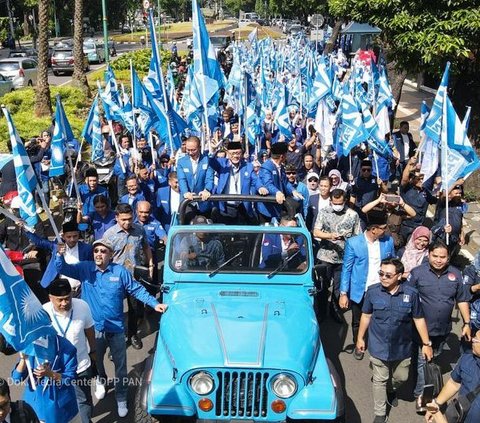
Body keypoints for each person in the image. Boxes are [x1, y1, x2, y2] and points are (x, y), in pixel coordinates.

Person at [55, 238, 167, 419]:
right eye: (96, 251)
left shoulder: (120, 271)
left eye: (103, 251)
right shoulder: (85, 268)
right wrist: (59, 254)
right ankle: (101, 380)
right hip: (93, 329)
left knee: (121, 367)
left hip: (115, 328)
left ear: (111, 255)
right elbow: (62, 268)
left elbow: (136, 290)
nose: (98, 254)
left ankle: (121, 397)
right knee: (96, 362)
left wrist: (154, 303)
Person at [356, 259, 433, 423]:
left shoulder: (411, 294)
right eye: (381, 274)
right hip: (378, 345)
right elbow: (366, 315)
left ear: (399, 276)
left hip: (402, 347)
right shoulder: (372, 292)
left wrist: (427, 344)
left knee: (401, 377)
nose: (383, 277)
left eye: (388, 275)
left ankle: (391, 390)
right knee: (379, 379)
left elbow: (418, 319)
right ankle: (380, 413)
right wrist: (360, 338)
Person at [406, 240, 471, 413]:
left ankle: (423, 379)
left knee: (433, 359)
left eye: (443, 257)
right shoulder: (417, 273)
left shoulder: (456, 275)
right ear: (429, 255)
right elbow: (407, 298)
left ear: (448, 257)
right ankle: (422, 396)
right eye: (435, 256)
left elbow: (462, 299)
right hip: (421, 329)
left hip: (442, 330)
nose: (438, 260)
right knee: (423, 361)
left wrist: (466, 323)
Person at [339, 212, 396, 360]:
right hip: (360, 290)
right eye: (383, 228)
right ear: (373, 229)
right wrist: (344, 293)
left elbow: (393, 262)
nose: (386, 230)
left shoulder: (388, 241)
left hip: (381, 289)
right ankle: (359, 343)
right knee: (358, 320)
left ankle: (377, 344)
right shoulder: (354, 243)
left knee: (379, 319)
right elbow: (347, 268)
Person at [43, 278, 96, 423]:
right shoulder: (43, 312)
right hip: (55, 371)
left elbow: (89, 330)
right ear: (50, 298)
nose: (64, 303)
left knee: (84, 399)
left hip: (81, 365)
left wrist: (94, 353)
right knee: (60, 402)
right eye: (59, 300)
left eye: (67, 299)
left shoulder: (82, 306)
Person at [103, 203, 154, 350]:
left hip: (135, 279)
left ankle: (132, 334)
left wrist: (150, 265)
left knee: (135, 310)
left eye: (130, 219)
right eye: (123, 219)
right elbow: (104, 258)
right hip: (115, 279)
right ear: (116, 218)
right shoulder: (109, 235)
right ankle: (115, 343)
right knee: (115, 312)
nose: (127, 222)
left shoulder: (139, 229)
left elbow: (146, 247)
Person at [313, 189, 361, 322]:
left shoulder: (353, 215)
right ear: (331, 201)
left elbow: (357, 236)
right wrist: (329, 236)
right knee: (322, 286)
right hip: (325, 255)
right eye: (335, 203)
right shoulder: (324, 212)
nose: (337, 205)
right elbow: (316, 232)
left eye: (340, 203)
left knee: (339, 288)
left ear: (345, 201)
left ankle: (335, 311)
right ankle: (321, 313)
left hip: (344, 257)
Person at [11, 335, 79, 423]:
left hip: (62, 410)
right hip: (34, 407)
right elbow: (16, 379)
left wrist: (50, 374)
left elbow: (70, 379)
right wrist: (23, 360)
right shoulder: (29, 345)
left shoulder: (66, 347)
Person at [425, 330, 480, 423]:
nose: (472, 340)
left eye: (476, 340)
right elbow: (454, 383)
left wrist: (438, 417)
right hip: (460, 417)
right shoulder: (468, 358)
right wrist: (436, 403)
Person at [25, 221, 93, 293]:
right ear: (63, 236)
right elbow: (40, 242)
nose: (72, 239)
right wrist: (25, 228)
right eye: (69, 237)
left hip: (80, 290)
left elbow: (90, 268)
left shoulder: (87, 249)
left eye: (75, 236)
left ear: (78, 235)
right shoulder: (56, 247)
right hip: (59, 289)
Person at [209, 141, 257, 224]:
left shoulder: (248, 166)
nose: (235, 156)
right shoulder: (222, 163)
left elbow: (256, 180)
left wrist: (261, 187)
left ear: (241, 153)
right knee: (226, 235)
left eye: (238, 153)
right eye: (232, 153)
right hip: (226, 207)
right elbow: (212, 162)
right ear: (227, 153)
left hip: (242, 207)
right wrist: (213, 150)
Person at [255, 142, 303, 221]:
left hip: (278, 207)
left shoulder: (281, 167)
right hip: (267, 210)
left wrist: (293, 190)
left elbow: (285, 182)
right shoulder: (266, 167)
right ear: (282, 156)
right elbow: (268, 184)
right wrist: (277, 192)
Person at [177, 136, 214, 219]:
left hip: (203, 201)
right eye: (188, 150)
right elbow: (181, 179)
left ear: (199, 148)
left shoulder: (207, 160)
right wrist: (186, 192)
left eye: (193, 150)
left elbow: (209, 178)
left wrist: (206, 190)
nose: (190, 152)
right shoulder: (181, 161)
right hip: (187, 202)